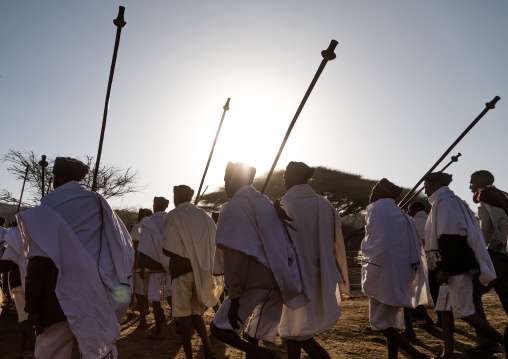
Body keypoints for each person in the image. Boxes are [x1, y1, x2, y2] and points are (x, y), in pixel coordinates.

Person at [16, 157, 134, 359]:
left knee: (50, 351)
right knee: (97, 348)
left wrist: (32, 307)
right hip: (104, 291)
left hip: (61, 295)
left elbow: (40, 261)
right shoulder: (99, 203)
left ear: (57, 178)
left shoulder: (47, 209)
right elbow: (123, 248)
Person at [210, 162, 309, 359]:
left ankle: (266, 355)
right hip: (279, 280)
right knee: (252, 334)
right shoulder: (266, 203)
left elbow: (234, 255)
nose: (225, 184)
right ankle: (257, 350)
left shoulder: (232, 207)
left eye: (226, 179)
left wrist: (235, 297)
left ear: (235, 180)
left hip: (255, 281)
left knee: (218, 328)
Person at [424, 171, 504, 359]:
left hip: (456, 266)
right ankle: (448, 353)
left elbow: (451, 237)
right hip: (452, 264)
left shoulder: (446, 203)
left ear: (436, 186)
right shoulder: (445, 201)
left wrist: (445, 269)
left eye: (426, 186)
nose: (425, 190)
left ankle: (503, 342)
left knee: (465, 312)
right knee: (444, 309)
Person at [277, 162, 349, 359]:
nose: (284, 179)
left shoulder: (287, 201)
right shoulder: (323, 203)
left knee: (297, 331)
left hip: (295, 275)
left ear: (294, 177)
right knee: (293, 331)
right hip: (319, 274)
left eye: (286, 175)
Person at [362, 179, 431, 359]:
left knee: (380, 323)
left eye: (374, 190)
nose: (371, 194)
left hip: (383, 273)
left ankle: (417, 355)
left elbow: (378, 246)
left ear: (380, 193)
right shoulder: (400, 214)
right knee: (390, 322)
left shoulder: (378, 211)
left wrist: (371, 272)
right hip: (400, 273)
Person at [162, 185, 218, 359]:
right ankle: (208, 347)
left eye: (174, 194)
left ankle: (188, 355)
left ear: (177, 196)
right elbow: (212, 243)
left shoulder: (173, 214)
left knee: (183, 315)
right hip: (202, 270)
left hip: (182, 270)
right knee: (196, 312)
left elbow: (167, 248)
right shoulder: (204, 216)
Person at [468, 170, 508, 354]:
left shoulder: (486, 194)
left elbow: (502, 223)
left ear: (482, 181)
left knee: (472, 293)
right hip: (504, 255)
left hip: (497, 254)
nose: (470, 186)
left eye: (472, 182)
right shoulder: (501, 195)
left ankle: (487, 342)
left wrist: (492, 250)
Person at [137, 196, 172, 339]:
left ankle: (158, 329)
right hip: (171, 264)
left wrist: (142, 268)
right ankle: (178, 323)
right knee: (171, 294)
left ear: (156, 205)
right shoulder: (172, 220)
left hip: (154, 265)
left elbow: (144, 248)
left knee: (155, 298)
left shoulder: (148, 223)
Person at [0, 223, 35, 358]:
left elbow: (5, 265)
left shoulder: (15, 244)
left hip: (20, 286)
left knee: (25, 321)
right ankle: (21, 351)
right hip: (32, 283)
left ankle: (37, 351)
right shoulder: (31, 239)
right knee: (28, 319)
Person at [404, 202, 436, 333]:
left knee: (412, 289)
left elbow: (422, 241)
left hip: (419, 259)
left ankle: (424, 320)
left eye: (410, 208)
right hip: (418, 258)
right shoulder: (420, 219)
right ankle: (424, 318)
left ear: (417, 208)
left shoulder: (420, 221)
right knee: (412, 290)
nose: (408, 211)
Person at [130, 208, 152, 328]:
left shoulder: (137, 228)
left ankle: (143, 319)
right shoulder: (156, 227)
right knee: (151, 290)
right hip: (156, 265)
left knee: (139, 292)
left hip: (140, 265)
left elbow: (133, 246)